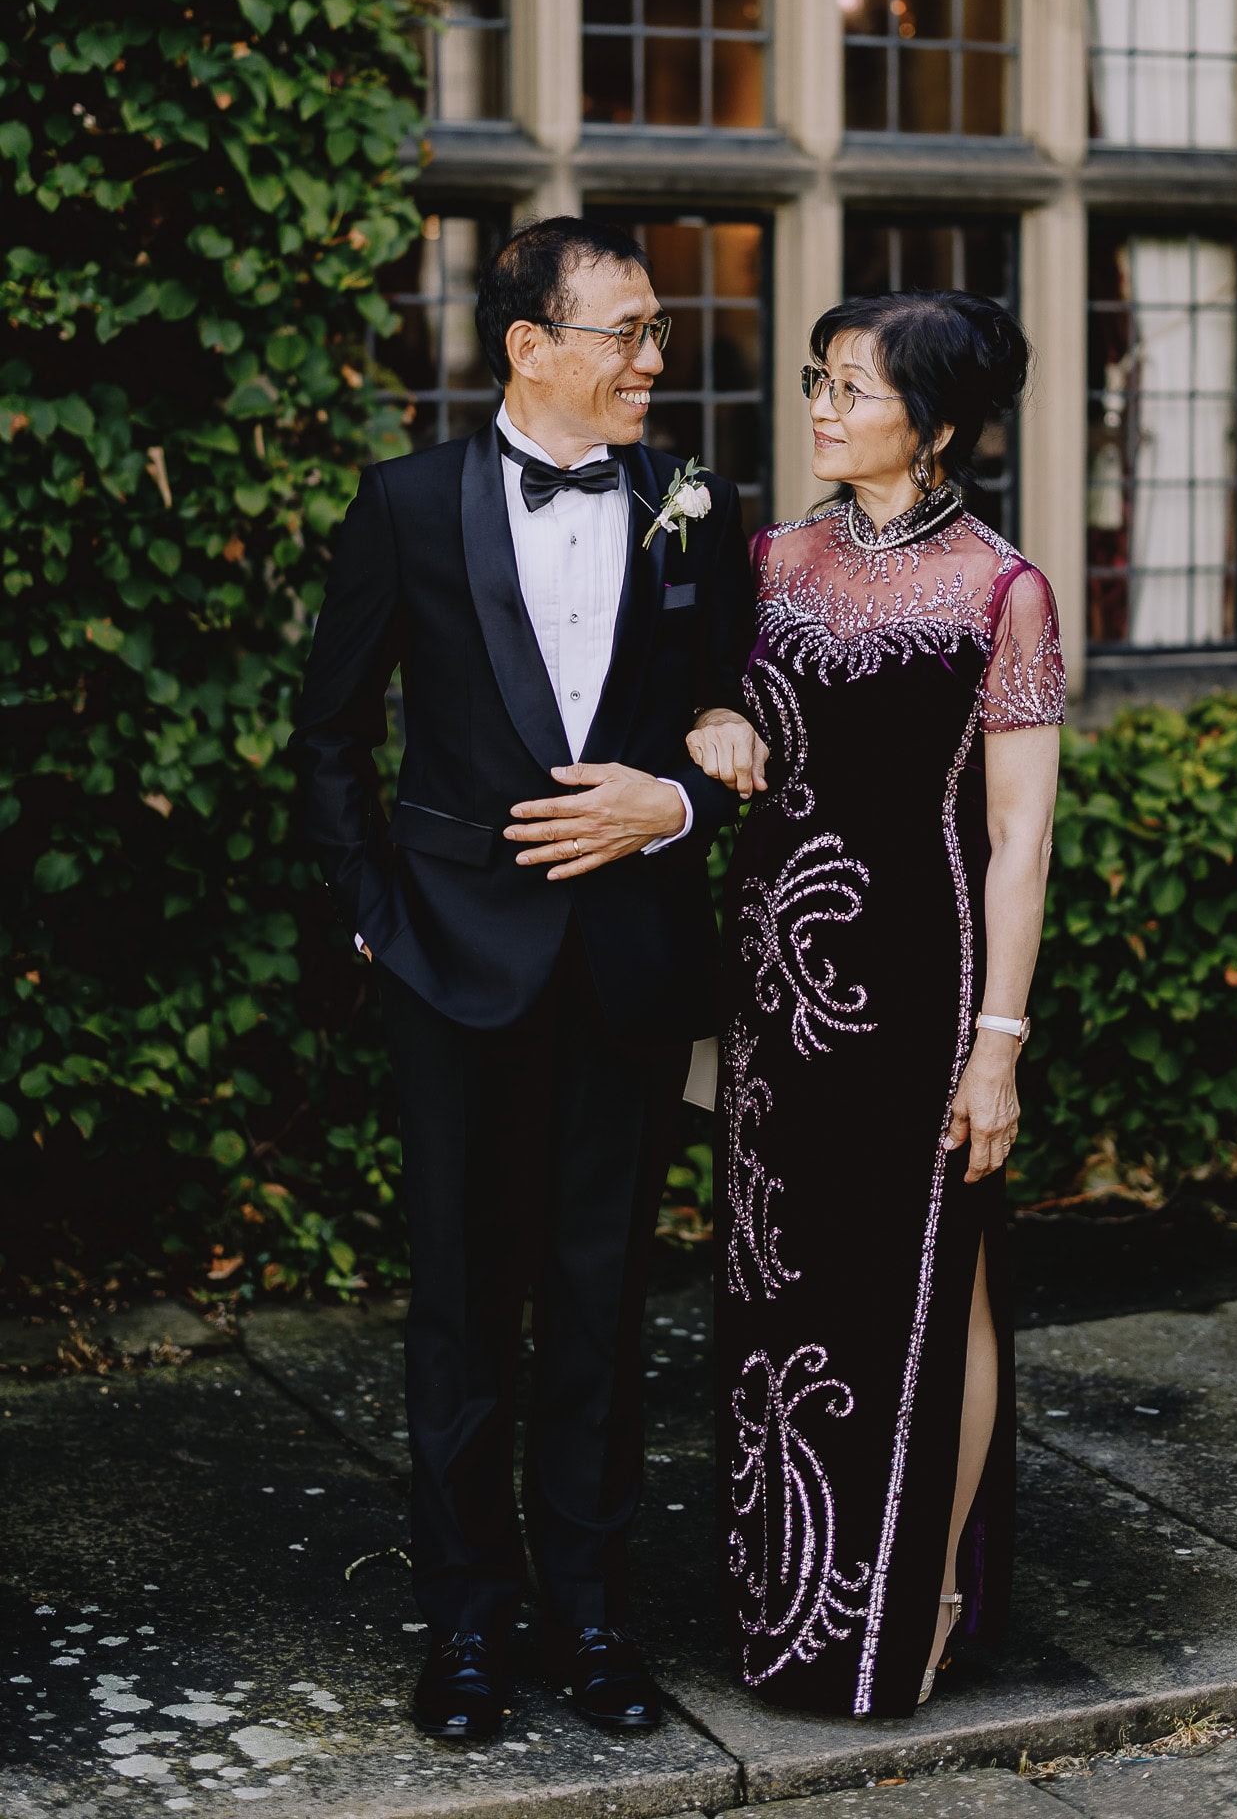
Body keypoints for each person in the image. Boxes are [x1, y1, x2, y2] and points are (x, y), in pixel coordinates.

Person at [287, 217, 760, 1743]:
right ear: (529, 347)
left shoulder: (693, 506)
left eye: (655, 332)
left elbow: (735, 717)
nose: (651, 359)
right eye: (623, 331)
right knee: (461, 1305)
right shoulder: (406, 506)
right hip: (451, 963)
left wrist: (677, 803)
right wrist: (374, 915)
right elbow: (330, 734)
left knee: (603, 1297)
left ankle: (594, 1618)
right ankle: (468, 1626)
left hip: (624, 962)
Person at [688, 291, 1065, 1718]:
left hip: (926, 985)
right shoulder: (764, 561)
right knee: (779, 1292)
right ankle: (790, 1596)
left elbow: (1018, 837)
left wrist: (998, 1047)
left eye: (853, 387)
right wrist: (709, 717)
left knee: (932, 1274)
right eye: (817, 380)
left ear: (939, 423)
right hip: (775, 994)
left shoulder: (996, 588)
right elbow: (693, 707)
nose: (821, 405)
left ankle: (931, 1595)